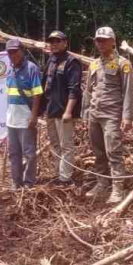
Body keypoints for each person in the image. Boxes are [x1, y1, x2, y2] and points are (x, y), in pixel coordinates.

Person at [81, 27, 133, 203]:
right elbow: (88, 90)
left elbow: (128, 91)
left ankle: (118, 188)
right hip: (94, 114)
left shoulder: (123, 63)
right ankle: (102, 184)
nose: (100, 43)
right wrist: (85, 113)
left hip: (111, 115)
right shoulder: (94, 64)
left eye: (104, 40)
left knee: (114, 151)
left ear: (113, 41)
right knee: (98, 152)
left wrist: (127, 117)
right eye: (98, 40)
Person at [40, 30, 83, 185]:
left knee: (66, 146)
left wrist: (68, 111)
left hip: (64, 112)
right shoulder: (51, 60)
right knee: (55, 145)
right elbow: (44, 86)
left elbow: (74, 89)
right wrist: (40, 110)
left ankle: (65, 178)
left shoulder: (72, 62)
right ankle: (58, 174)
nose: (54, 44)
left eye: (58, 41)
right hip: (51, 110)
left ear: (65, 43)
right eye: (52, 42)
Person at [5, 39, 43, 190]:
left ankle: (28, 181)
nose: (13, 54)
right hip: (11, 118)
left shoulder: (31, 68)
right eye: (10, 52)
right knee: (14, 153)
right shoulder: (10, 70)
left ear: (22, 51)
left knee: (29, 152)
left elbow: (37, 94)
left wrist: (33, 116)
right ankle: (16, 181)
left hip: (26, 118)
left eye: (15, 51)